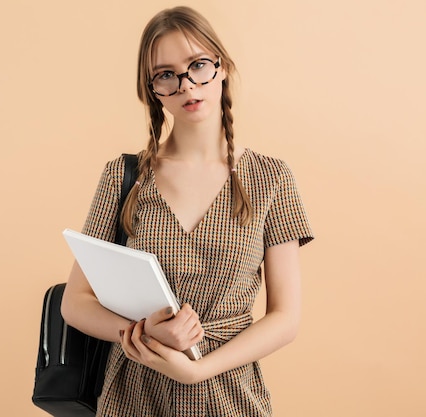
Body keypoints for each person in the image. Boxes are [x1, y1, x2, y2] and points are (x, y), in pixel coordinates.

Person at [61, 5, 313, 417]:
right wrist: (144, 333)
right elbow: (75, 303)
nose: (186, 85)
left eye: (198, 65)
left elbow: (285, 316)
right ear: (151, 89)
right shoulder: (124, 177)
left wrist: (198, 370)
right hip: (134, 397)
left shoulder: (271, 178)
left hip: (230, 396)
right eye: (165, 74)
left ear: (223, 66)